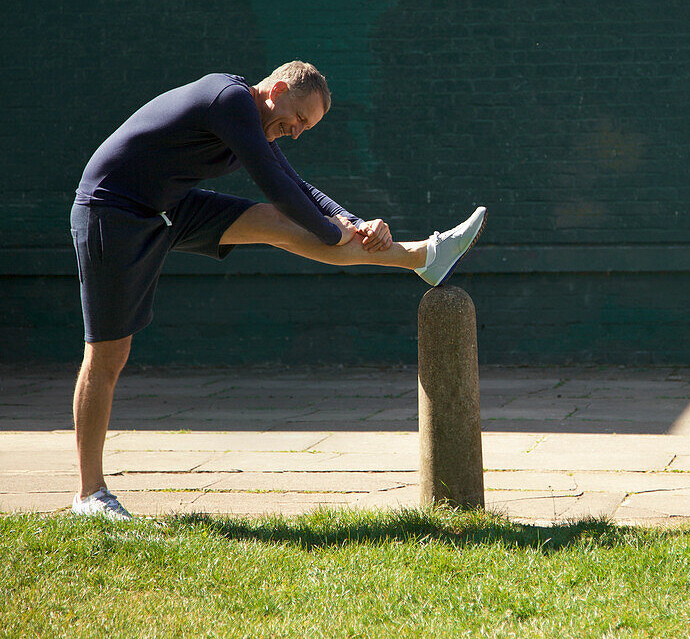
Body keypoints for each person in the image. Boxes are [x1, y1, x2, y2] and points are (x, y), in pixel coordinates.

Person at [69, 61, 485, 519]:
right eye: (300, 120)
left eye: (307, 127)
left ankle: (425, 256)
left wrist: (353, 222)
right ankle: (91, 495)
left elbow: (297, 185)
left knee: (280, 223)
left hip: (169, 206)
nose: (298, 132)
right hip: (114, 211)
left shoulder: (257, 121)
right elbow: (277, 185)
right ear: (279, 89)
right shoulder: (228, 100)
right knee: (108, 354)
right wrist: (334, 233)